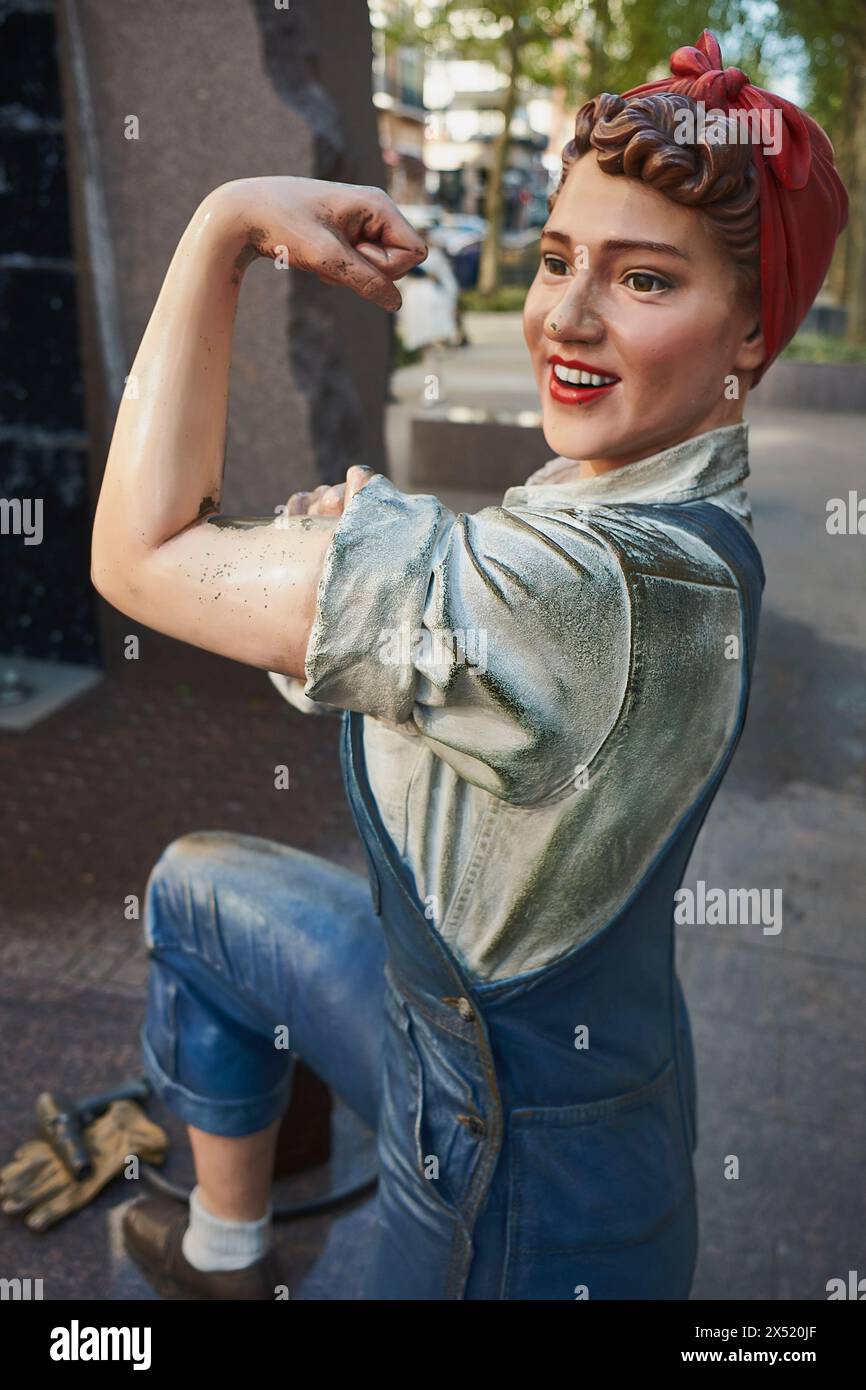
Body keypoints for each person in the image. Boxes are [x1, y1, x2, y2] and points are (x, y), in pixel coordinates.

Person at [90, 31, 847, 1300]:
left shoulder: (582, 588)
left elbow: (142, 552)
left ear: (753, 340)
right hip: (447, 1024)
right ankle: (222, 1254)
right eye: (559, 259)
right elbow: (483, 631)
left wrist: (222, 227)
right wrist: (378, 564)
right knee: (195, 893)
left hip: (512, 1197)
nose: (565, 313)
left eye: (643, 281)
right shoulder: (621, 518)